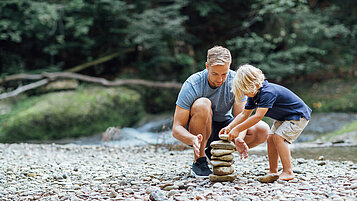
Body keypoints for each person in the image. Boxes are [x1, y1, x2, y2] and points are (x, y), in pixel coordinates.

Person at [172, 46, 269, 178]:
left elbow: (242, 116)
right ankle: (199, 161)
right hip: (198, 131)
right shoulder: (192, 84)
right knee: (203, 104)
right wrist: (192, 138)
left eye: (224, 74)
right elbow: (177, 128)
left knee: (262, 130)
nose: (220, 79)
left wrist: (239, 139)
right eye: (215, 74)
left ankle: (217, 152)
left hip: (224, 127)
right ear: (207, 67)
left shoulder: (236, 81)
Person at [221, 64, 312, 181]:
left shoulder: (268, 92)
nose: (244, 94)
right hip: (284, 118)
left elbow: (258, 117)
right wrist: (230, 127)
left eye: (244, 91)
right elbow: (244, 114)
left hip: (297, 116)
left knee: (279, 137)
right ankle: (273, 171)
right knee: (270, 138)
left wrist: (237, 129)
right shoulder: (253, 95)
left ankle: (288, 171)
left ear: (254, 84)